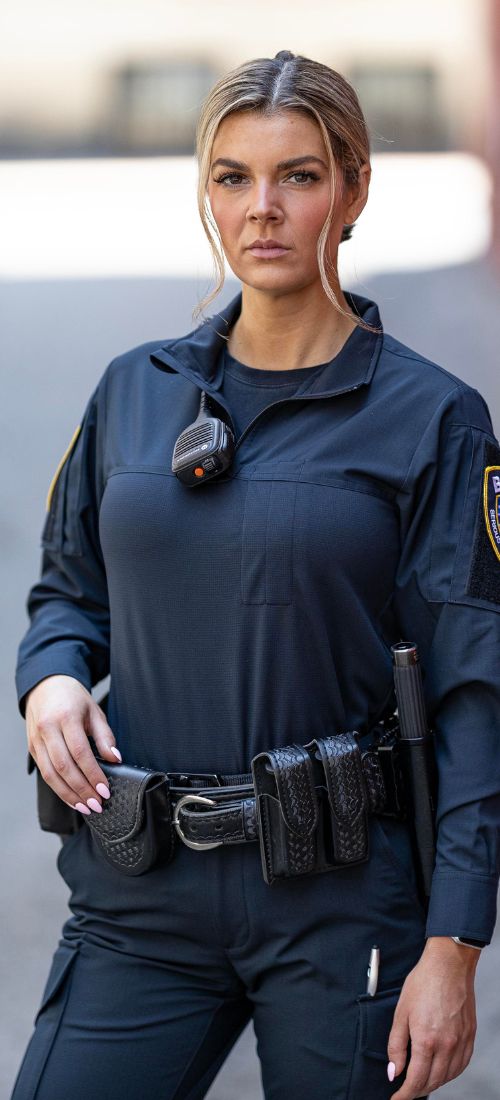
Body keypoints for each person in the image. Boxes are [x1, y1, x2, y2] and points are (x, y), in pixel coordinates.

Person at [11, 49, 500, 1100]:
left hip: (338, 900)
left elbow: (475, 691)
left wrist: (452, 944)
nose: (262, 209)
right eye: (232, 177)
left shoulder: (434, 418)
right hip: (138, 893)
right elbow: (66, 590)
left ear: (355, 188)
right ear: (206, 195)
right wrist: (50, 677)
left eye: (299, 175)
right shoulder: (132, 391)